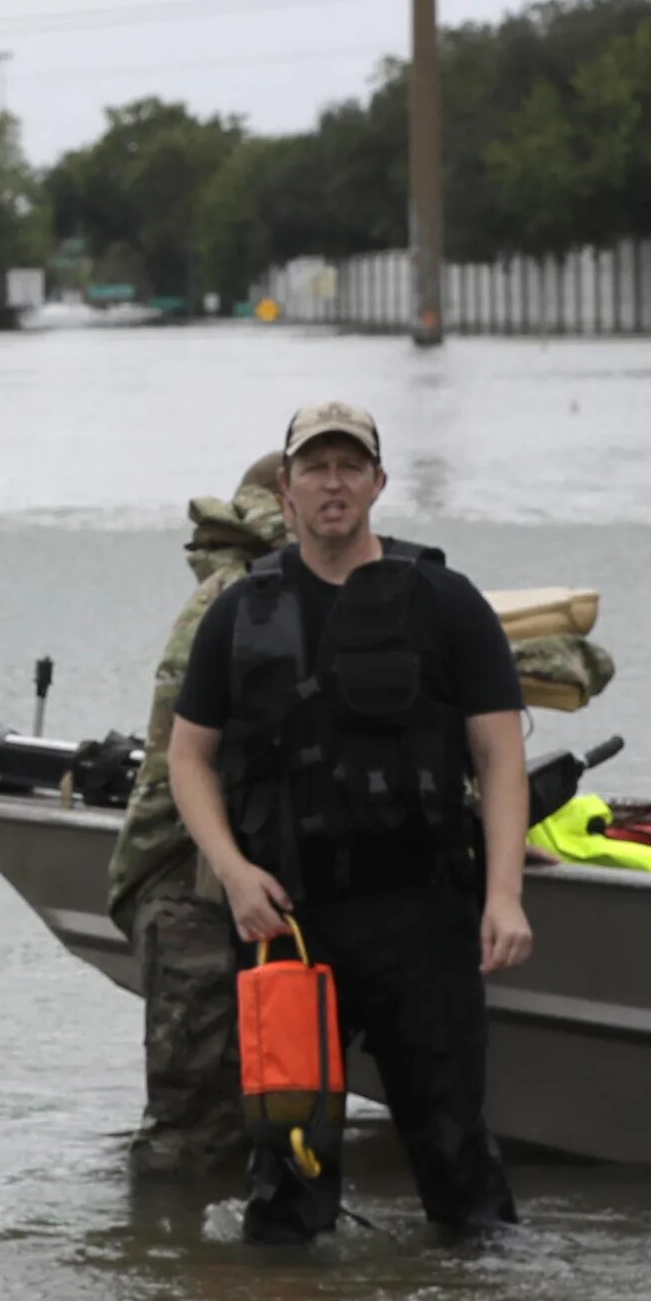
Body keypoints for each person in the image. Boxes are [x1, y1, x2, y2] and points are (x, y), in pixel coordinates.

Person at [165, 401, 530, 1243]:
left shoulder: (445, 602)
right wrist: (231, 869)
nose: (334, 483)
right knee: (288, 1166)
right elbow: (189, 759)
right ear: (286, 490)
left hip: (424, 915)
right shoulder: (239, 612)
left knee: (458, 1161)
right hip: (288, 920)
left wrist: (503, 896)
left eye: (350, 466)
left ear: (377, 482)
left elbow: (500, 756)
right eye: (316, 468)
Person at [102, 454, 286, 1176]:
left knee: (262, 1109)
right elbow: (179, 761)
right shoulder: (231, 603)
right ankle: (172, 1271)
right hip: (191, 888)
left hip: (236, 885)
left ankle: (207, 1274)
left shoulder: (266, 595)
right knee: (194, 1129)